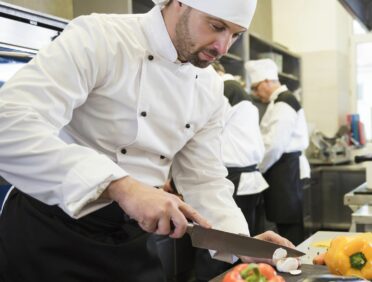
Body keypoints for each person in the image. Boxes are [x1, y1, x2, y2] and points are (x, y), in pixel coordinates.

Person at [0, 1, 293, 281]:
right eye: (216, 26)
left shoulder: (210, 87)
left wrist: (240, 242)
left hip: (131, 236)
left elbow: (203, 179)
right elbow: (8, 124)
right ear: (178, 3)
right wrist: (122, 187)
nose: (223, 47)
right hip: (50, 232)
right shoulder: (101, 38)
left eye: (235, 35)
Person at [245, 58, 311, 246]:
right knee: (286, 222)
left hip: (284, 168)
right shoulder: (279, 101)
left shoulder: (284, 102)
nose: (257, 93)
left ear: (267, 81)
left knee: (288, 224)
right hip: (283, 168)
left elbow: (274, 144)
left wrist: (258, 168)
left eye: (257, 87)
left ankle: (295, 266)